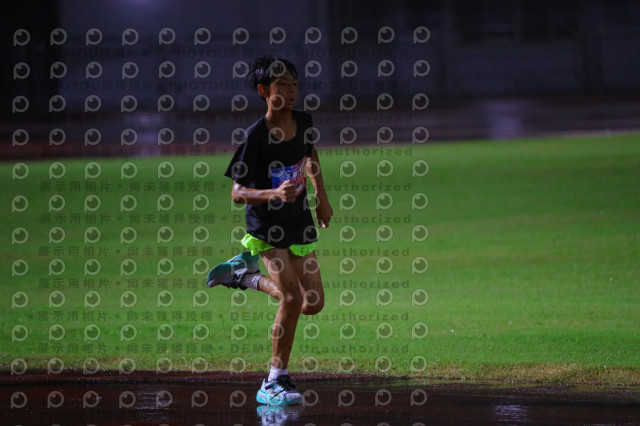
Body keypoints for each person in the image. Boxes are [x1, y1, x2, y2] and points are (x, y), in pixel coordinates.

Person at [206, 55, 333, 406]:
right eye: (281, 86)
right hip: (267, 228)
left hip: (299, 221)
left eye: (294, 85)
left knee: (312, 303)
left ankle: (244, 277)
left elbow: (310, 155)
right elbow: (237, 193)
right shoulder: (255, 137)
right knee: (291, 299)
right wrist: (274, 194)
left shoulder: (303, 121)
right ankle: (274, 380)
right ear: (263, 91)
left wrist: (321, 197)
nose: (290, 92)